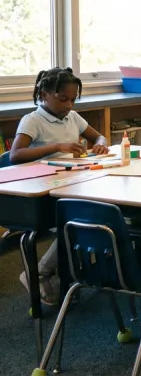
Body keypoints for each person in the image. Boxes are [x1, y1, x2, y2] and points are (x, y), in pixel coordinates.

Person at [10, 67, 109, 304]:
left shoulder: (72, 117)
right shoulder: (33, 120)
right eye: (63, 99)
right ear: (44, 94)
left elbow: (99, 136)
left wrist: (101, 144)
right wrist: (58, 147)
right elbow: (15, 155)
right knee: (81, 220)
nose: (69, 105)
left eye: (73, 100)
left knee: (102, 211)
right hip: (43, 190)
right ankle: (40, 272)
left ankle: (78, 272)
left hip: (72, 182)